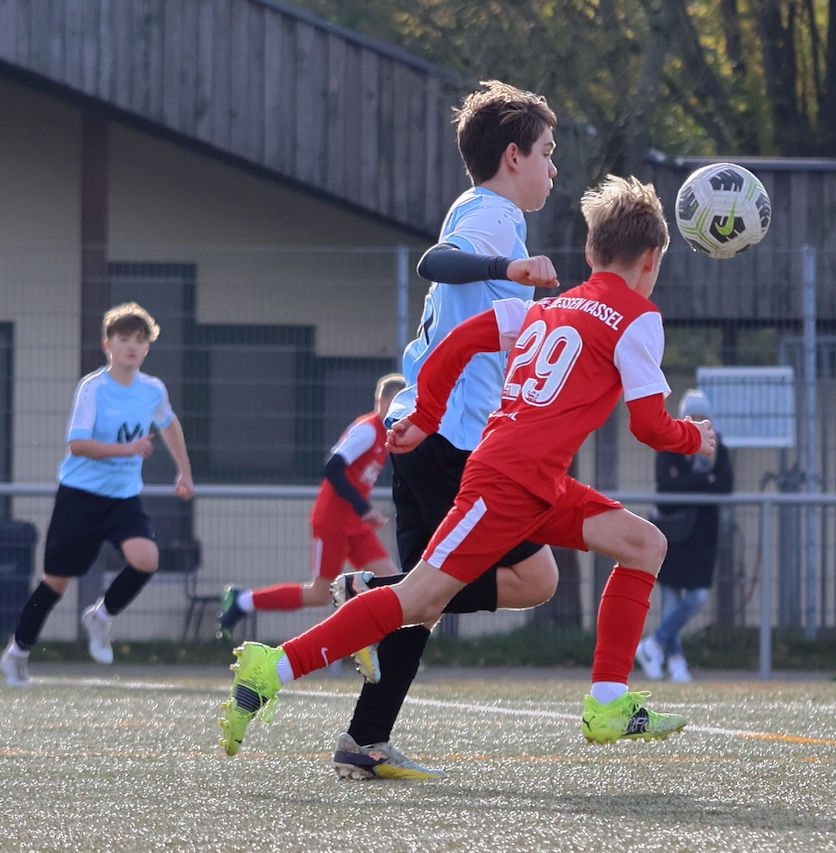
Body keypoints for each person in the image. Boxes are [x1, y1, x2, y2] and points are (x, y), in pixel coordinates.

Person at [216, 174, 713, 760]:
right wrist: (694, 437)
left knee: (643, 544)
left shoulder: (541, 308)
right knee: (419, 599)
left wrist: (426, 414)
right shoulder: (638, 316)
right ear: (652, 259)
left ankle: (608, 702)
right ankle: (273, 665)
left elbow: (456, 344)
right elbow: (649, 426)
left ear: (589, 251)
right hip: (506, 483)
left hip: (535, 481)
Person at [305, 80, 566, 781]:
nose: (553, 167)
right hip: (453, 438)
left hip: (424, 430)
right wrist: (508, 266)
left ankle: (365, 739)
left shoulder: (482, 209)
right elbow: (436, 262)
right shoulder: (492, 217)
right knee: (536, 577)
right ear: (513, 156)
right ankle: (373, 592)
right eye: (547, 152)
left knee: (421, 606)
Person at [0, 302, 195, 686]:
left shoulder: (153, 390)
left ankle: (101, 617)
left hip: (123, 498)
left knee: (147, 559)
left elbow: (169, 424)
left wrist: (184, 471)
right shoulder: (93, 389)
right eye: (124, 339)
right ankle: (18, 652)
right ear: (108, 344)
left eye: (140, 340)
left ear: (147, 347)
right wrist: (128, 449)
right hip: (80, 497)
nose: (132, 346)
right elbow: (78, 445)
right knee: (56, 582)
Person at [214, 374, 406, 651]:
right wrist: (363, 508)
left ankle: (393, 653)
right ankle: (244, 601)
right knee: (319, 594)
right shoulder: (368, 430)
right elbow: (332, 467)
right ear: (381, 400)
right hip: (333, 521)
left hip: (356, 524)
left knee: (394, 584)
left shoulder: (386, 434)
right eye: (395, 403)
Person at [636, 389, 733, 683]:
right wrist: (705, 481)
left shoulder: (718, 447)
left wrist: (690, 482)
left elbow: (724, 485)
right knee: (669, 594)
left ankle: (654, 644)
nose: (698, 421)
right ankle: (675, 660)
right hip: (673, 534)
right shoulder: (669, 444)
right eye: (693, 415)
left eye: (703, 416)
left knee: (698, 595)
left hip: (703, 535)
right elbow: (667, 486)